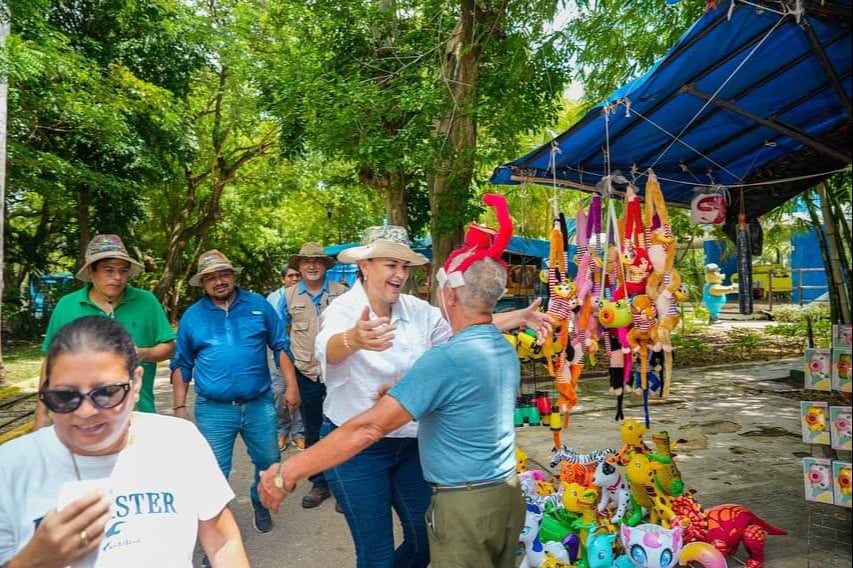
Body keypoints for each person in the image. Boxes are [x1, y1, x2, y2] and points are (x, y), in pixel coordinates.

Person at [262, 211, 548, 568]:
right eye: (390, 264)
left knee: (424, 539)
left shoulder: (418, 311)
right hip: (356, 448)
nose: (400, 274)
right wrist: (354, 338)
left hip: (410, 445)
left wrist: (516, 317)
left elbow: (468, 322)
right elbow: (327, 351)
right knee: (377, 554)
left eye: (405, 266)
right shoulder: (342, 310)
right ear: (365, 266)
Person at [0, 316, 249, 568]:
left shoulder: (179, 442)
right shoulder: (10, 467)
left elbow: (221, 541)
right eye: (64, 396)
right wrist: (32, 562)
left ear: (137, 382)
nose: (86, 412)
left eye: (106, 393)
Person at [170, 250, 299, 535]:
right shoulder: (193, 317)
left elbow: (280, 345)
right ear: (203, 283)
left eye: (223, 274)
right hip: (214, 409)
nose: (219, 281)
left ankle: (259, 502)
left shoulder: (258, 305)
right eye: (211, 278)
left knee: (268, 461)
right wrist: (179, 407)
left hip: (259, 405)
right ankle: (214, 530)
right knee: (213, 471)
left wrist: (291, 386)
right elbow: (181, 363)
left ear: (233, 275)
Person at [34, 234, 175, 428]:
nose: (117, 277)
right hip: (79, 417)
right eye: (109, 270)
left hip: (138, 415)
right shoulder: (67, 306)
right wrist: (41, 414)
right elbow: (50, 361)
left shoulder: (147, 302)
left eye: (123, 271)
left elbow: (169, 347)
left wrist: (144, 353)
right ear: (92, 272)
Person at [277, 242, 347, 508]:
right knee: (313, 429)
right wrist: (289, 383)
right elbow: (279, 341)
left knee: (342, 428)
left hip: (339, 372)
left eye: (317, 261)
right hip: (306, 373)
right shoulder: (287, 296)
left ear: (325, 266)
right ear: (299, 266)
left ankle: (343, 486)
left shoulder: (342, 293)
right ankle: (320, 484)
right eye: (306, 261)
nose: (312, 265)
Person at [266, 264, 305, 451]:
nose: (295, 279)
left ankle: (299, 433)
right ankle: (282, 430)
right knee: (279, 393)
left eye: (298, 275)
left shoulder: (306, 296)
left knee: (301, 392)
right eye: (290, 276)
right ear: (283, 279)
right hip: (280, 354)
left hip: (303, 354)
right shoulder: (273, 299)